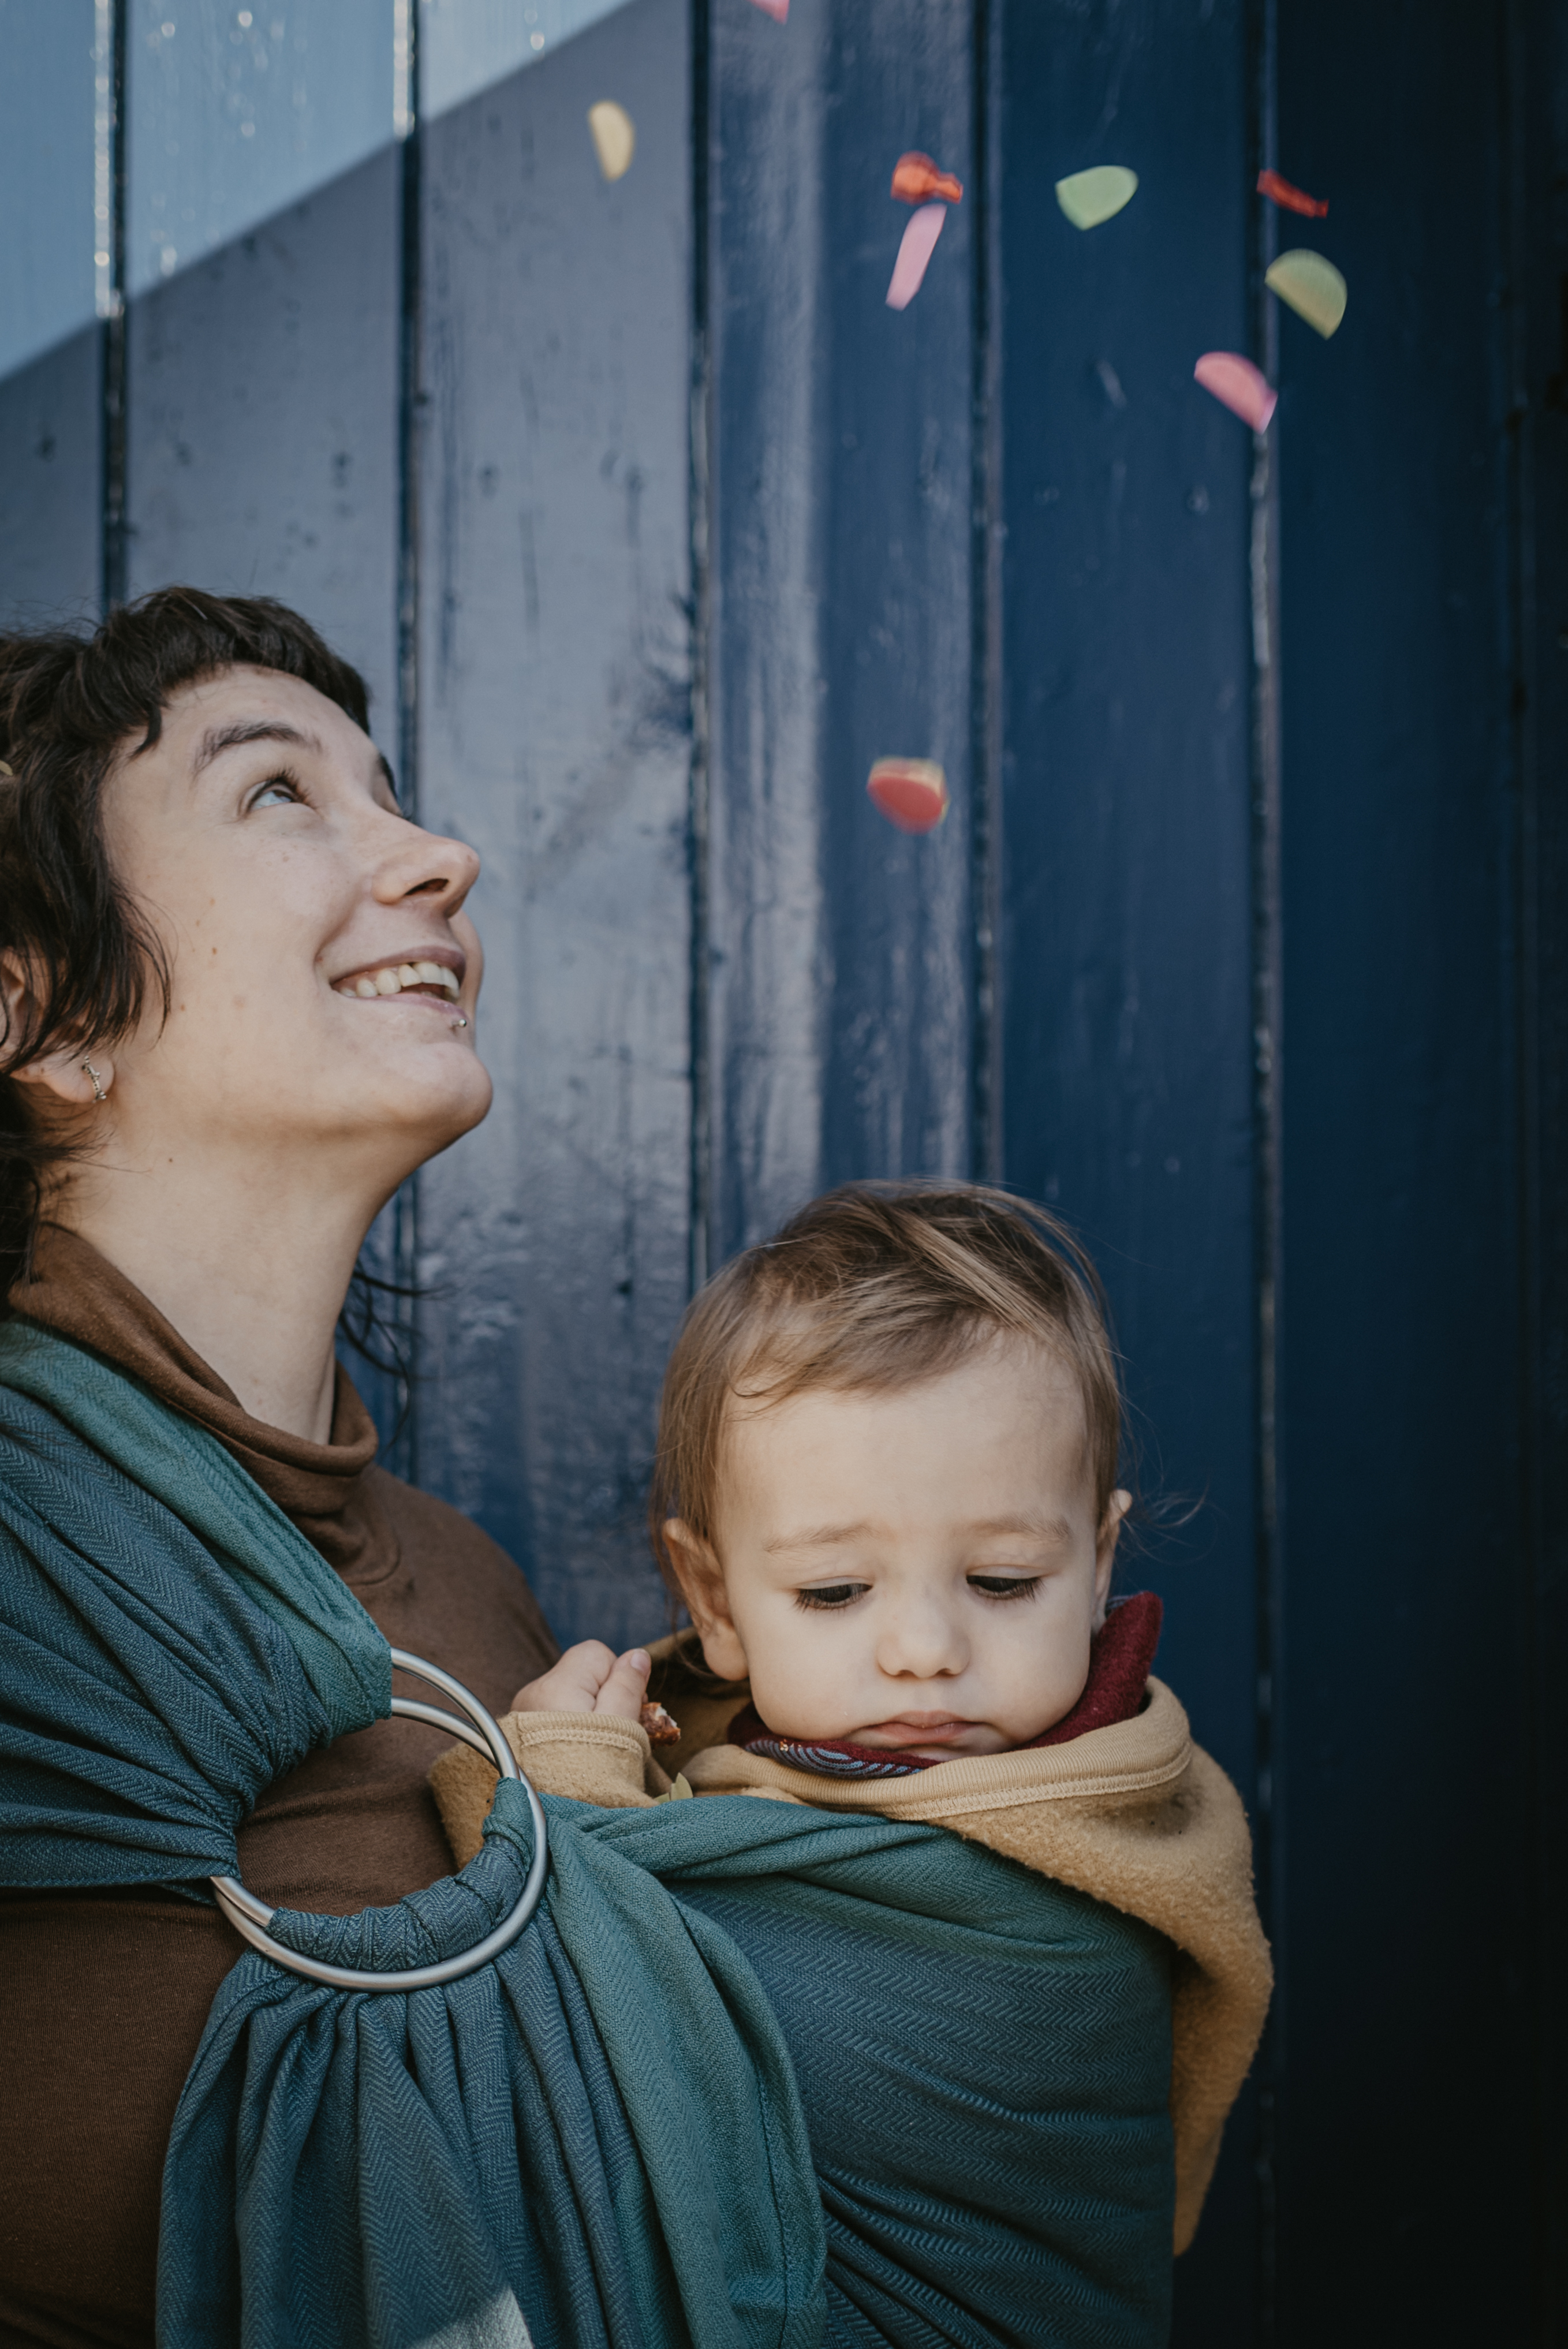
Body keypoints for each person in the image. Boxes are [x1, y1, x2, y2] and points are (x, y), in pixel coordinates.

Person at [0, 589, 559, 2346]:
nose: (441, 854)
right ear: (47, 1014)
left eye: (391, 788)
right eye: (277, 793)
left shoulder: (477, 1602)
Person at [434, 1183, 1274, 2318]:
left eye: (1002, 1581)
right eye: (833, 1590)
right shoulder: (709, 1766)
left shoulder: (1103, 1861)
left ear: (1098, 1564)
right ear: (712, 1600)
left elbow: (644, 2018)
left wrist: (566, 1795)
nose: (925, 1649)